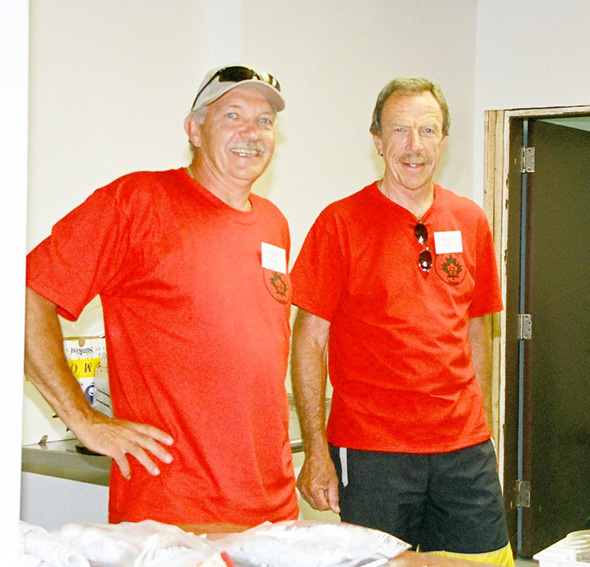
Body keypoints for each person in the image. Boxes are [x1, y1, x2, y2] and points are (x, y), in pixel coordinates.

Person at [25, 64, 299, 528]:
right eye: (232, 115)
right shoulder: (138, 201)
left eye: (265, 121)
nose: (251, 132)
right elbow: (27, 295)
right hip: (173, 512)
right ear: (194, 130)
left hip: (273, 510)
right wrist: (85, 420)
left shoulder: (273, 223)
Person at [290, 77, 514, 565]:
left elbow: (478, 327)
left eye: (427, 130)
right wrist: (317, 452)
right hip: (374, 453)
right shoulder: (340, 223)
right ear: (377, 139)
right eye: (400, 130)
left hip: (464, 450)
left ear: (443, 140)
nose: (415, 146)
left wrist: (482, 428)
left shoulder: (470, 220)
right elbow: (309, 340)